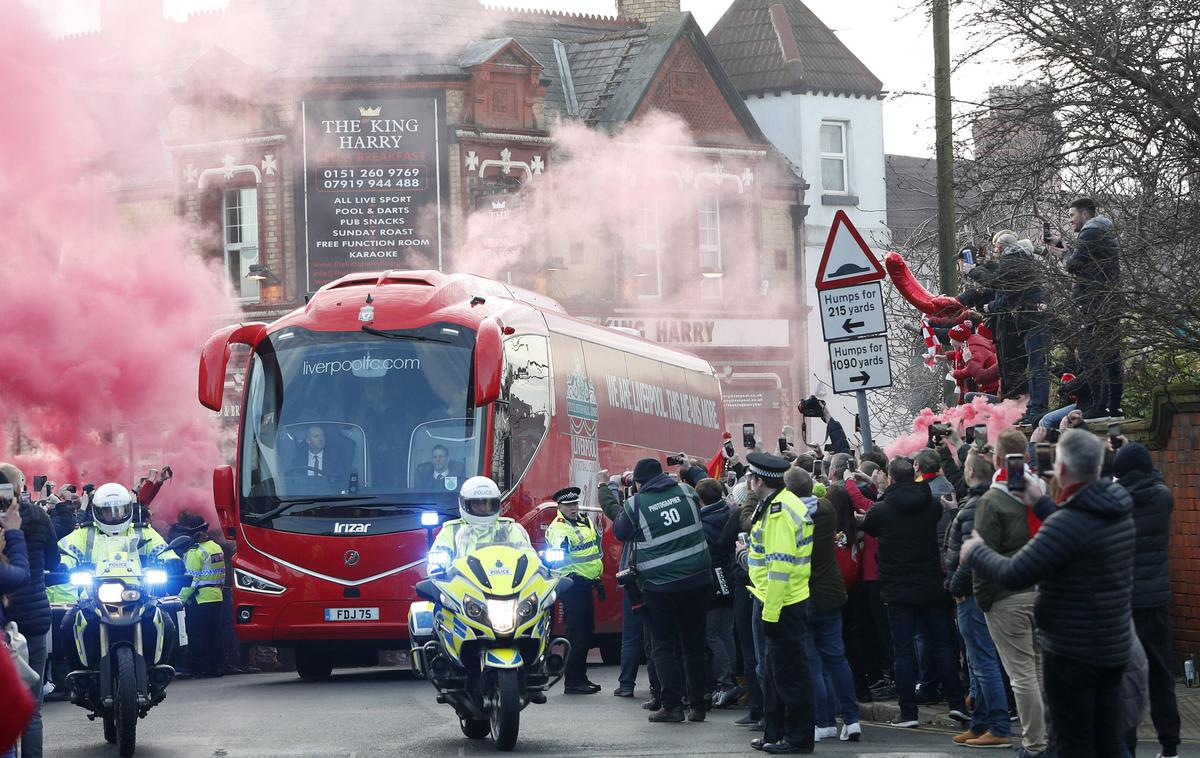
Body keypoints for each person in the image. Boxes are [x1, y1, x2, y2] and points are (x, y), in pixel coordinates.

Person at [963, 429, 1136, 758]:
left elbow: (1015, 572)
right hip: (1112, 645)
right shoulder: (1118, 512)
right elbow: (1073, 531)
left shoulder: (1069, 523)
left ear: (1066, 470)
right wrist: (1040, 502)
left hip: (1074, 651)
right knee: (1108, 737)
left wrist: (975, 551)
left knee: (1073, 743)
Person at [859, 457, 967, 728]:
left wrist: (880, 490)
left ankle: (908, 712)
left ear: (892, 479)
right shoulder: (931, 505)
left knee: (903, 651)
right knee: (943, 645)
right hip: (931, 584)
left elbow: (868, 524)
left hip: (898, 589)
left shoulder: (882, 510)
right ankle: (956, 702)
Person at [609, 457, 710, 724]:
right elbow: (706, 487)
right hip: (698, 581)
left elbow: (621, 532)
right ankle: (698, 706)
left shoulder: (636, 504)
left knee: (663, 646)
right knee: (693, 645)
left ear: (639, 483)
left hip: (660, 587)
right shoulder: (688, 493)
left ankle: (672, 706)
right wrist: (691, 468)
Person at [970, 428, 1050, 758]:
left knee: (1022, 675)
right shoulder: (1041, 489)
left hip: (1007, 596)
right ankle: (1050, 737)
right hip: (1042, 591)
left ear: (998, 458)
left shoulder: (992, 500)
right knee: (1041, 669)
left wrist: (983, 599)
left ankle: (1035, 744)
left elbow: (982, 554)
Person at [57, 483, 180, 694]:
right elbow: (65, 551)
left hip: (139, 596)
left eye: (119, 510)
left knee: (166, 624)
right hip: (94, 598)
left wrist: (172, 561)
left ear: (128, 510)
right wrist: (63, 564)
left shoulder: (143, 531)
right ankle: (79, 677)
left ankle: (157, 672)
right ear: (96, 511)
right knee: (68, 624)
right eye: (107, 511)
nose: (113, 516)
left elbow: (163, 550)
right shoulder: (85, 534)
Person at [739, 453, 815, 754]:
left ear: (760, 480)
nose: (749, 482)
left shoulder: (780, 512)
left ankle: (797, 739)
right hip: (772, 598)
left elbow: (780, 569)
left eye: (750, 478)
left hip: (782, 603)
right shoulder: (772, 504)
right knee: (773, 676)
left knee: (789, 676)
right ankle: (774, 732)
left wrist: (770, 613)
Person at [1114, 443, 1180, 758]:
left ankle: (1127, 746)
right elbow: (1156, 478)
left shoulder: (1115, 502)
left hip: (1123, 605)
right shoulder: (1163, 498)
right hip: (1156, 603)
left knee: (1126, 680)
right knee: (1162, 677)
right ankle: (1169, 746)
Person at [786, 467, 861, 744]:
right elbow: (824, 493)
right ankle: (852, 720)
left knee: (812, 663)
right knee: (837, 659)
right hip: (830, 592)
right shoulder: (827, 509)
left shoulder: (789, 518)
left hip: (803, 594)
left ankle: (823, 722)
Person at [942, 452, 1012, 749]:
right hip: (976, 590)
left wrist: (955, 585)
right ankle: (981, 722)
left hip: (970, 592)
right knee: (977, 659)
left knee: (982, 661)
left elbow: (971, 554)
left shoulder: (976, 506)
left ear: (970, 471)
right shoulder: (983, 500)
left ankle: (997, 725)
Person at [0, 464, 59, 758]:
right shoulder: (38, 515)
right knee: (32, 710)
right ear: (21, 487)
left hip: (5, 621)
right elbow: (54, 559)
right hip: (34, 619)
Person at [1048, 197, 1123, 422]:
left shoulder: (1090, 233)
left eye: (1072, 216)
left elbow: (1073, 264)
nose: (1069, 221)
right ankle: (1113, 406)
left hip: (1093, 305)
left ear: (1085, 214)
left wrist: (1061, 252)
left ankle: (1100, 406)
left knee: (1092, 356)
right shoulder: (1103, 233)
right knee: (1110, 355)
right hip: (1106, 303)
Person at [982, 236, 1050, 423]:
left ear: (1003, 248)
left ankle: (1036, 408)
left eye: (996, 248)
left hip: (1030, 321)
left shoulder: (1012, 264)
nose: (995, 253)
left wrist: (989, 306)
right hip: (1027, 322)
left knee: (1036, 367)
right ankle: (1032, 408)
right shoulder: (1021, 263)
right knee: (1034, 367)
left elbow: (1003, 294)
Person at [544, 486, 603, 695]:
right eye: (568, 505)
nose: (573, 508)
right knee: (578, 634)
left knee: (585, 632)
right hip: (572, 584)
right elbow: (558, 546)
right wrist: (561, 548)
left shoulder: (583, 520)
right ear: (559, 507)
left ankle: (581, 677)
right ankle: (573, 681)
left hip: (587, 583)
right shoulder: (559, 527)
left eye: (575, 504)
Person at [695, 478, 738, 707]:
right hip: (729, 576)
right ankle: (731, 680)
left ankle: (726, 683)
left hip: (714, 577)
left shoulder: (703, 522)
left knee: (711, 634)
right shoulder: (729, 511)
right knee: (726, 632)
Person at [178, 513, 227, 679]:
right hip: (217, 596)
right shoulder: (215, 547)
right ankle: (218, 666)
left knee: (198, 634)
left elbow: (191, 580)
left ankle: (201, 667)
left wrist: (181, 600)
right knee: (215, 634)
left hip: (201, 599)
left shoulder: (195, 552)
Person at [430, 477, 530, 557]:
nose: (483, 508)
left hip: (505, 581)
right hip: (463, 581)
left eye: (488, 504)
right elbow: (437, 560)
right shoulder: (451, 530)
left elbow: (528, 555)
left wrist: (532, 561)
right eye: (478, 504)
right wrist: (439, 566)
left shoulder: (509, 529)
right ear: (465, 504)